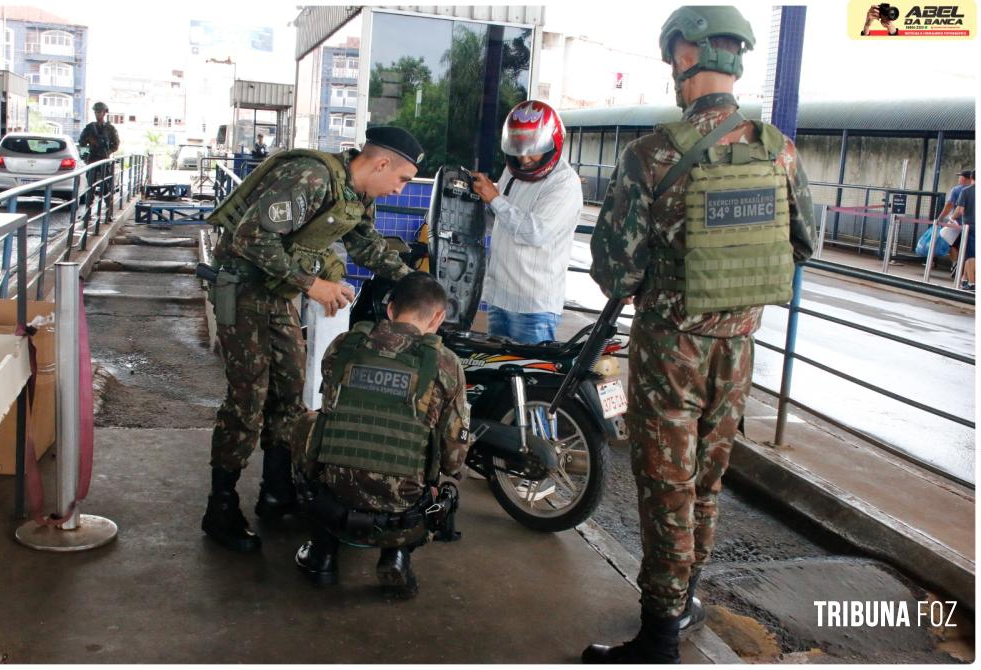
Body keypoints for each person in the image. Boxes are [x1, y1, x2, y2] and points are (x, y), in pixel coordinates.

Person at [582, 6, 816, 663]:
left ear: (685, 55)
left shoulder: (653, 152)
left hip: (671, 351)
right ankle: (684, 600)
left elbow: (616, 270)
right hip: (738, 349)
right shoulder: (778, 149)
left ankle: (657, 638)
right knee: (707, 483)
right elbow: (806, 242)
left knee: (666, 489)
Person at [201, 126, 425, 553]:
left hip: (277, 293)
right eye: (401, 179)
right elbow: (251, 237)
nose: (400, 190)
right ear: (380, 163)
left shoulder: (357, 196)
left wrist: (418, 285)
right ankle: (221, 507)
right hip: (245, 289)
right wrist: (313, 284)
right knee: (248, 400)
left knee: (289, 393)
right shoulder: (313, 176)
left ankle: (276, 490)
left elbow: (368, 247)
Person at [292, 272, 470, 598]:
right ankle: (397, 555)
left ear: (389, 309)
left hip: (333, 500)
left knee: (308, 422)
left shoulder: (345, 345)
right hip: (404, 511)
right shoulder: (447, 364)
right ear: (439, 317)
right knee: (446, 461)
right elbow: (453, 454)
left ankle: (324, 556)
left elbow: (333, 408)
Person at [470, 100, 583, 344]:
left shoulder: (563, 183)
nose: (525, 158)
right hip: (500, 297)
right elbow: (501, 220)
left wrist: (495, 199)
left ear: (553, 143)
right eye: (519, 148)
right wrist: (479, 202)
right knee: (496, 376)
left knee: (529, 378)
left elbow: (535, 233)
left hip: (534, 307)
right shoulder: (512, 172)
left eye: (533, 149)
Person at [78, 101, 120, 219]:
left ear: (104, 113)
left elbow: (116, 144)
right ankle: (87, 213)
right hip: (92, 160)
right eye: (96, 112)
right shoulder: (90, 128)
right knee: (90, 188)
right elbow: (82, 143)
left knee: (106, 188)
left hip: (104, 161)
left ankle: (108, 213)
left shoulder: (110, 129)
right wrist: (86, 155)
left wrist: (107, 152)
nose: (98, 114)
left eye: (100, 112)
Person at [934, 169, 972, 274]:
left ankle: (956, 264)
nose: (959, 178)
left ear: (964, 178)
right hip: (972, 225)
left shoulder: (957, 190)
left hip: (957, 224)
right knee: (968, 247)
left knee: (950, 243)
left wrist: (940, 218)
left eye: (960, 176)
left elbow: (949, 206)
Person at [952, 171, 975, 291]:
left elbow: (959, 210)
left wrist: (952, 218)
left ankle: (972, 282)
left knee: (971, 255)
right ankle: (964, 279)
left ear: (971, 178)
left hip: (969, 228)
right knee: (968, 255)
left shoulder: (966, 191)